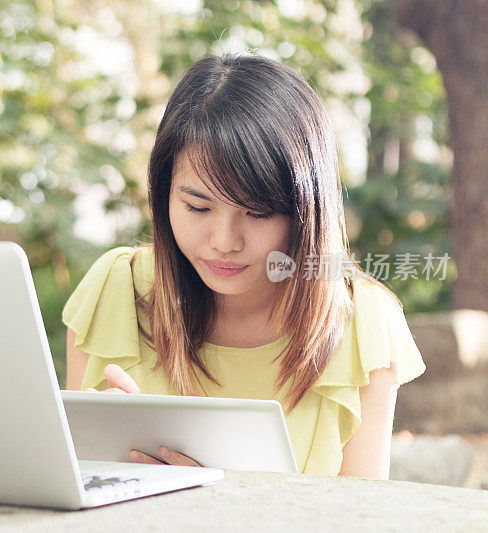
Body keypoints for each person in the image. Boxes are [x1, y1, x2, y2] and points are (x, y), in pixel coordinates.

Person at [61, 53, 426, 479]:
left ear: (306, 211)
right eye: (198, 207)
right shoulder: (117, 290)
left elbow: (363, 521)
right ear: (164, 194)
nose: (224, 242)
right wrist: (101, 464)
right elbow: (73, 497)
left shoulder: (361, 320)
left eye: (257, 214)